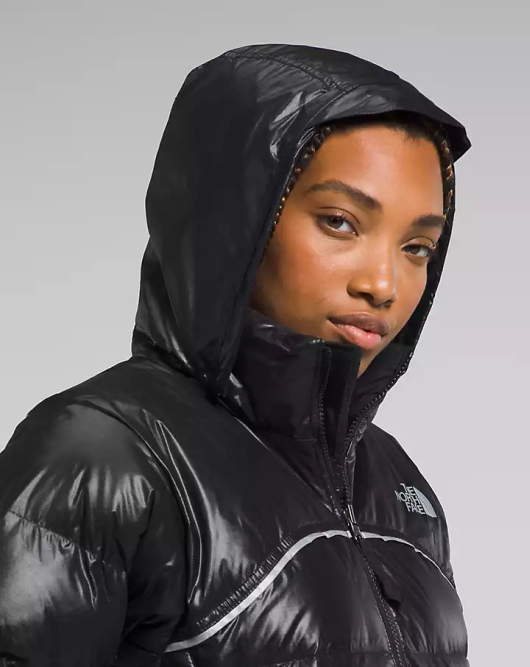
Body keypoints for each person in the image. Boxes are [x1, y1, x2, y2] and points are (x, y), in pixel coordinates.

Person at [0, 43, 472, 666]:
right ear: (236, 221)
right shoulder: (103, 456)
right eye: (339, 222)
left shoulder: (398, 485)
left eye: (417, 247)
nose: (383, 284)